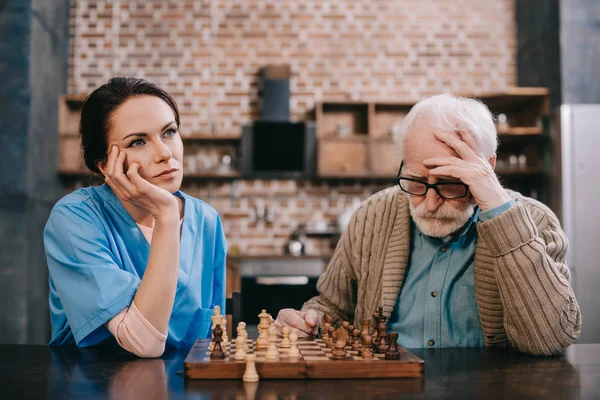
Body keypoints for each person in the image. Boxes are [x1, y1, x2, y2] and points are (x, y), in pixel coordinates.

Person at [275, 94, 581, 356]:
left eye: (449, 184)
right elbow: (331, 306)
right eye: (417, 181)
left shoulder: (536, 221)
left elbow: (549, 340)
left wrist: (501, 212)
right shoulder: (372, 215)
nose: (430, 203)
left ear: (486, 168)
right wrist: (307, 321)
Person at [44, 77, 227, 357]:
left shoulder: (206, 220)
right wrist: (165, 215)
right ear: (105, 164)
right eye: (138, 142)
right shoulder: (74, 219)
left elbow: (213, 341)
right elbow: (144, 342)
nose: (165, 153)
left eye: (169, 132)